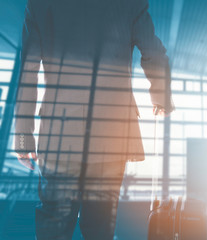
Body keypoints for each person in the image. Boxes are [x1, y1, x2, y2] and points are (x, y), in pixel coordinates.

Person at [14, 0, 174, 239]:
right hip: (111, 135)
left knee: (53, 225)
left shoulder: (39, 4)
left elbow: (28, 70)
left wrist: (24, 140)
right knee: (100, 226)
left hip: (59, 134)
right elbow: (154, 52)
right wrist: (160, 97)